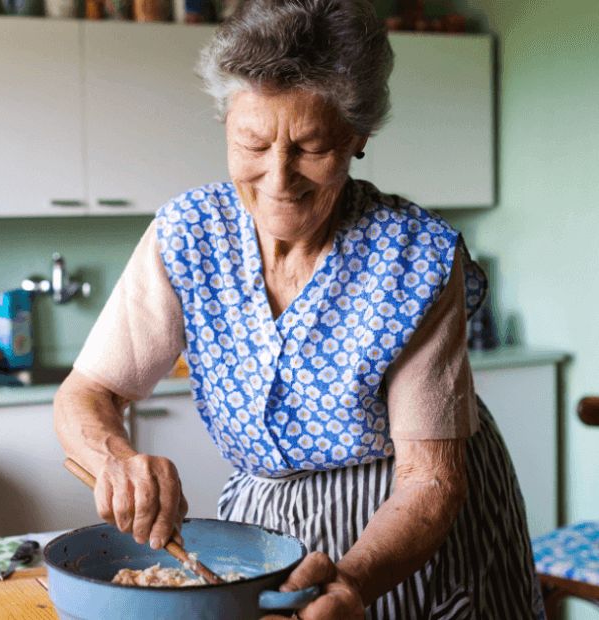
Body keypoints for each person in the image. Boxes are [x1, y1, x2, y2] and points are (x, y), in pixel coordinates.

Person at [54, 0, 545, 617]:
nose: (279, 177)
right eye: (252, 143)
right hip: (264, 526)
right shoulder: (186, 234)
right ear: (226, 125)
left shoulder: (417, 257)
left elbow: (429, 479)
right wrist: (116, 459)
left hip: (407, 528)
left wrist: (356, 582)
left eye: (311, 146)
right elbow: (87, 393)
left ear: (358, 135)